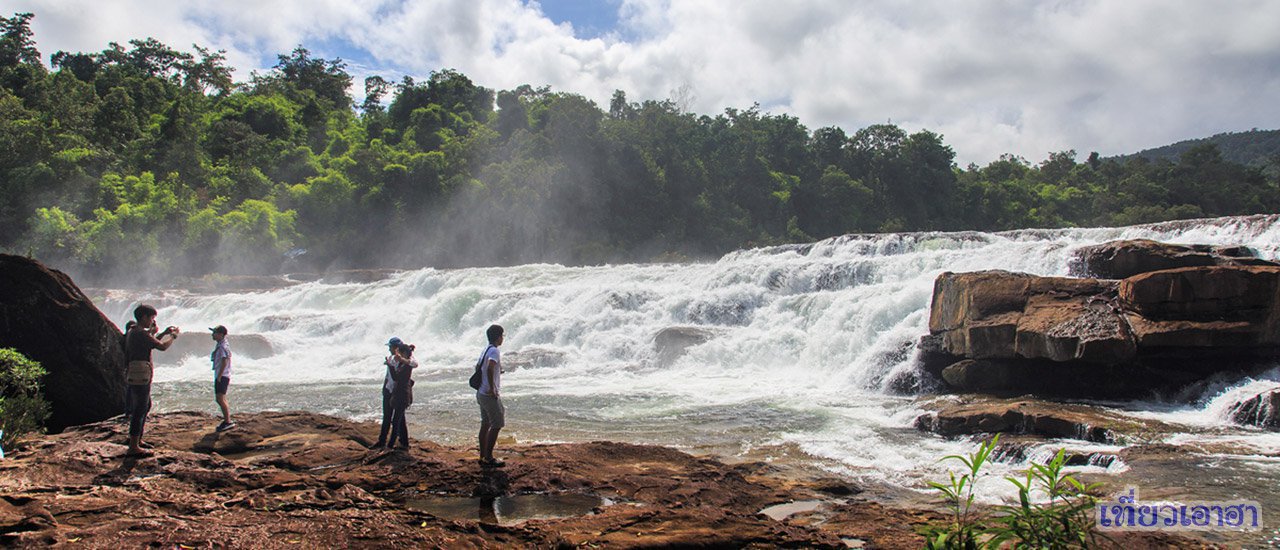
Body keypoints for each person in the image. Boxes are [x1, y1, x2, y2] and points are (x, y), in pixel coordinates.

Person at [123, 304, 179, 457]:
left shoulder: (134, 331)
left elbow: (151, 342)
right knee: (140, 408)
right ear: (144, 317)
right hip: (141, 373)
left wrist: (159, 333)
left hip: (137, 372)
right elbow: (162, 347)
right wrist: (172, 337)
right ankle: (133, 446)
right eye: (151, 318)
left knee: (145, 405)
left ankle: (137, 440)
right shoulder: (141, 333)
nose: (152, 321)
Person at [374, 337, 417, 449]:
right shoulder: (392, 359)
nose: (389, 349)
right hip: (390, 391)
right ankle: (384, 441)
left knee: (397, 420)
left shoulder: (407, 359)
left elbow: (414, 364)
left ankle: (399, 443)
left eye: (390, 347)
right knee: (389, 417)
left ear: (397, 348)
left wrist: (401, 360)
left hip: (399, 394)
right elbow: (391, 376)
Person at [476, 324, 505, 467]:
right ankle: (489, 457)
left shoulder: (485, 349)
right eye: (502, 336)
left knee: (485, 423)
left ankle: (482, 455)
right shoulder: (494, 351)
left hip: (481, 392)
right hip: (489, 394)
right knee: (497, 423)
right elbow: (490, 367)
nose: (503, 338)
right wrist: (493, 388)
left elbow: (479, 367)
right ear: (498, 337)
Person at [210, 325, 234, 432]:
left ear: (220, 334)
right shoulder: (223, 344)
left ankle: (228, 421)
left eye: (214, 332)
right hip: (223, 375)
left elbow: (224, 360)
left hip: (222, 375)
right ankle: (227, 420)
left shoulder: (222, 346)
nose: (212, 334)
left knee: (220, 398)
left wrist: (219, 376)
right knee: (221, 398)